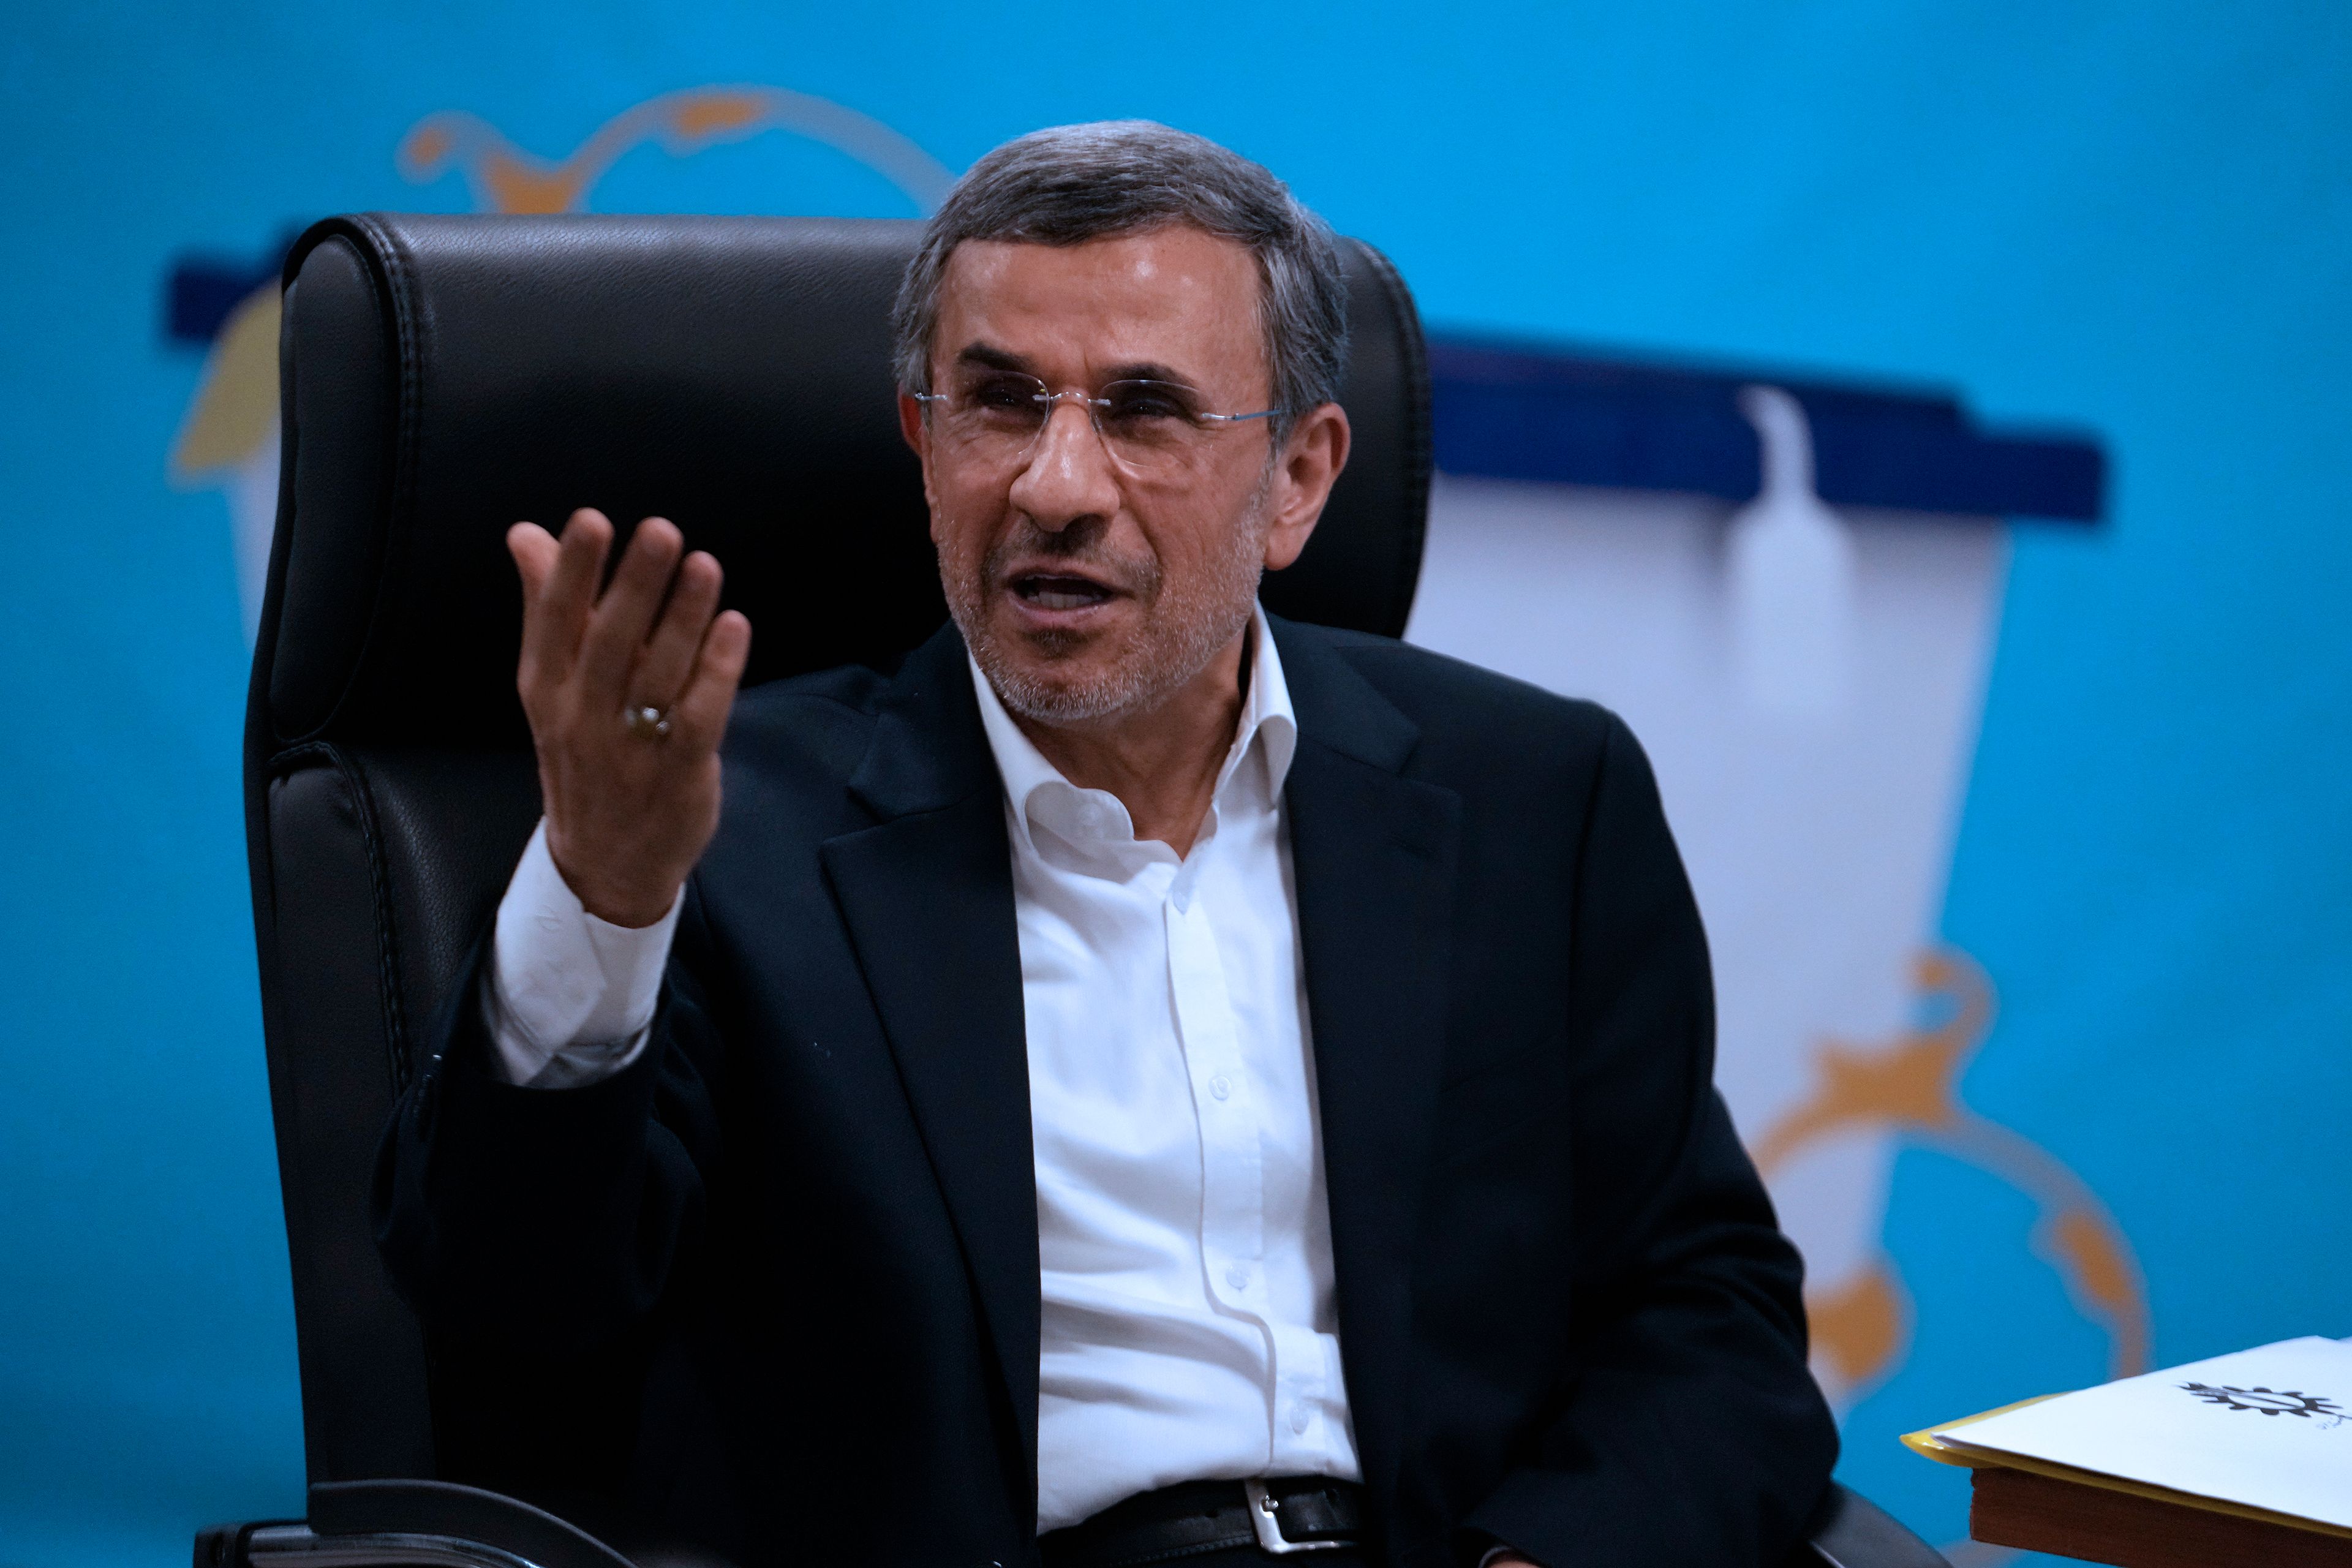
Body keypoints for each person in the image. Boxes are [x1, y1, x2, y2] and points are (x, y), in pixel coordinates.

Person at [376, 121, 1836, 1568]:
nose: (1057, 485)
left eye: (1144, 410)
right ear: (922, 441)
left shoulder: (1531, 796)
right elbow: (514, 1325)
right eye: (1000, 403)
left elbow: (1707, 1321)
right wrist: (608, 894)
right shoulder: (715, 819)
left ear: (1302, 478)